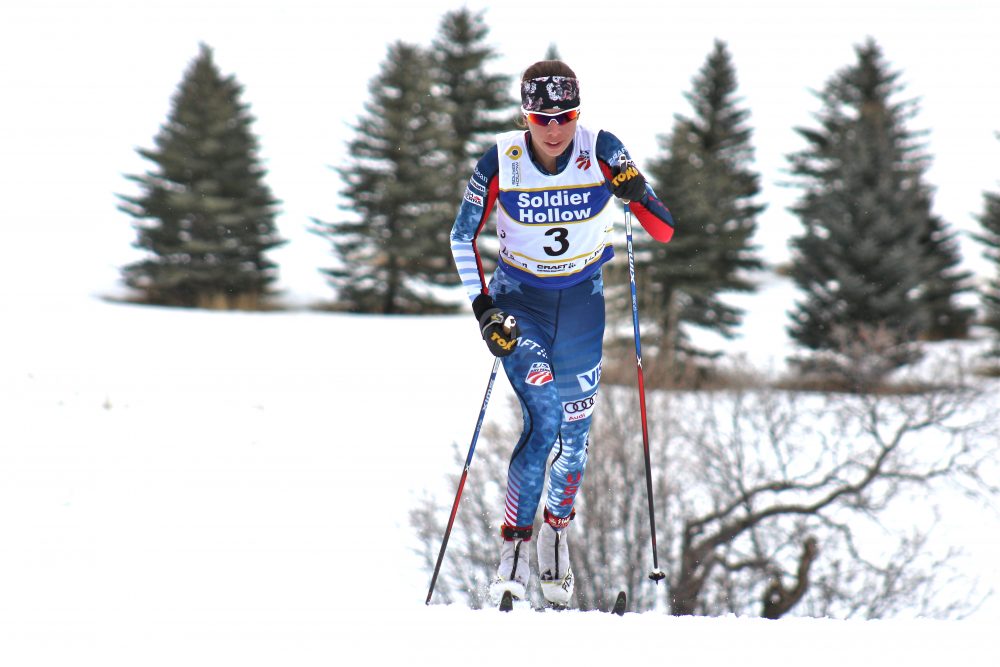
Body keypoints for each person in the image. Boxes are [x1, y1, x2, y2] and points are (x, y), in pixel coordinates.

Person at [449, 60, 675, 607]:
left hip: (580, 308)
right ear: (525, 115)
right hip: (519, 305)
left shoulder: (600, 149)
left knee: (574, 438)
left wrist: (636, 190)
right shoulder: (502, 159)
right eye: (541, 117)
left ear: (579, 111)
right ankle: (515, 553)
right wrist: (485, 311)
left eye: (565, 115)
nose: (554, 129)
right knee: (545, 415)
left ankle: (556, 532)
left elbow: (664, 230)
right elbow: (461, 236)